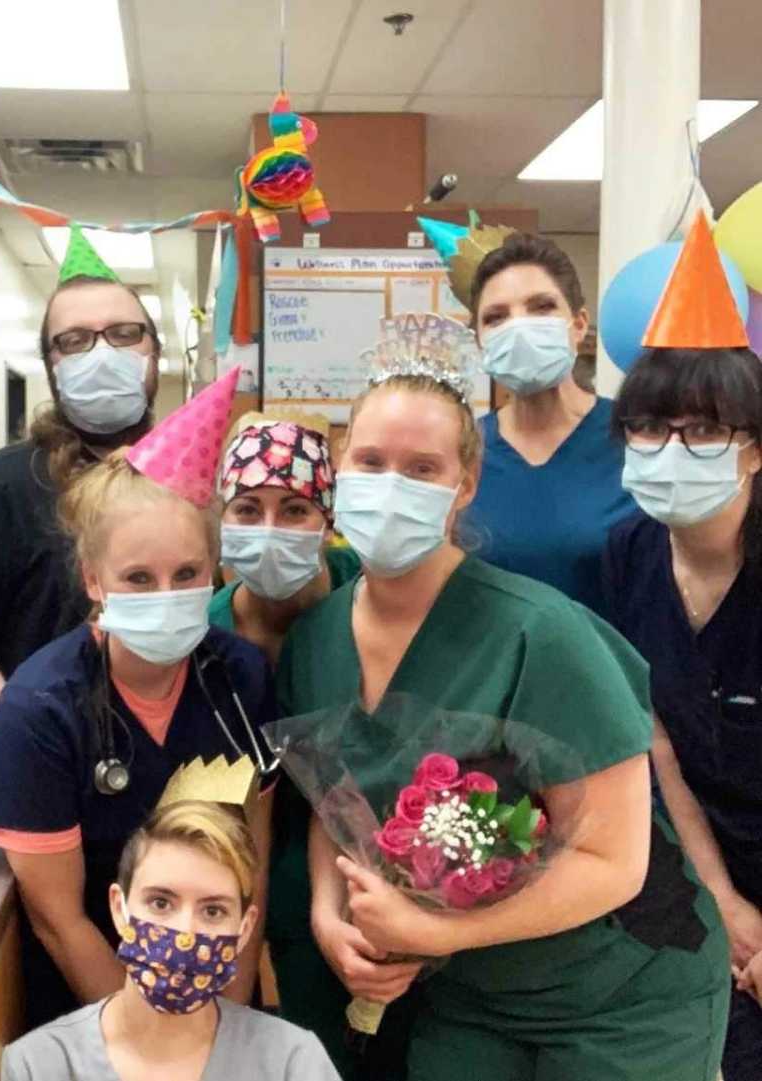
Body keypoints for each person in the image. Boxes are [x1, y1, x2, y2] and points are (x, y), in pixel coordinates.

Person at [271, 349, 729, 1079]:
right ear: (338, 469)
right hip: (472, 995)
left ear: (465, 485)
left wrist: (431, 925)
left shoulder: (542, 635)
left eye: (422, 469)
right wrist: (331, 913)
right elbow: (335, 802)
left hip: (626, 993)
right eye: (371, 460)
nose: (392, 486)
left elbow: (615, 862)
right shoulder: (316, 640)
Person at [0, 369, 278, 1029]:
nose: (166, 593)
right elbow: (59, 919)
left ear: (214, 569)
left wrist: (230, 1026)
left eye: (186, 574)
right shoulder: (41, 713)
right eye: (138, 577)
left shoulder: (240, 680)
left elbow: (252, 864)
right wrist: (151, 1046)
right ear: (92, 578)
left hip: (220, 1001)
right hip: (88, 1004)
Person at [0, 226, 161, 838]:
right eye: (74, 341)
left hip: (159, 800)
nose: (102, 352)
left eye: (125, 334)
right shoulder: (3, 486)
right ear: (50, 367)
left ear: (155, 350)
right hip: (26, 801)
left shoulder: (186, 478)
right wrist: (25, 740)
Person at [603, 214, 762, 1081]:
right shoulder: (628, 555)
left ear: (755, 448)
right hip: (696, 886)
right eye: (650, 428)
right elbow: (654, 738)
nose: (672, 452)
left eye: (705, 432)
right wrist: (728, 904)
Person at [1, 793, 341, 1081]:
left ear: (245, 928)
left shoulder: (291, 1062)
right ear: (119, 909)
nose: (185, 932)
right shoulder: (40, 1065)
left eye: (212, 911)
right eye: (161, 903)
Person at [464, 232, 636, 615]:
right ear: (479, 341)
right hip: (493, 670)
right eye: (496, 317)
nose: (519, 327)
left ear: (578, 324)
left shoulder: (636, 438)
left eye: (541, 307)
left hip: (610, 669)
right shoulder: (462, 452)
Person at [210, 410, 359, 663]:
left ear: (329, 523)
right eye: (247, 510)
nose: (269, 531)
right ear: (222, 521)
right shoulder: (207, 633)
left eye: (294, 511)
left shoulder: (363, 583)